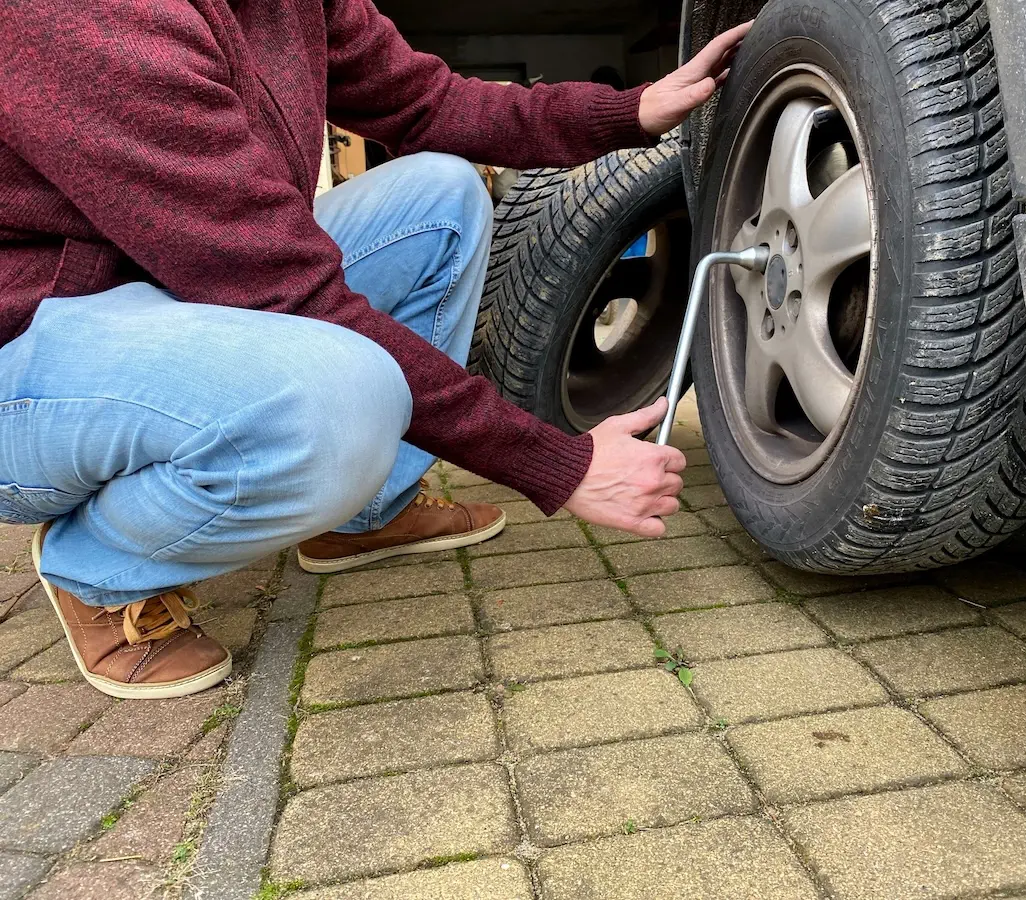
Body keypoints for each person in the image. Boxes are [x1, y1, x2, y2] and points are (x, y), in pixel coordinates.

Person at [0, 1, 751, 699]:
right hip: (34, 345)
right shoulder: (84, 20)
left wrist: (632, 110)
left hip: (181, 282)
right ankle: (99, 572)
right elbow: (290, 292)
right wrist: (557, 463)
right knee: (338, 397)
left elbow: (431, 103)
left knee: (441, 198)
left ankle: (362, 512)